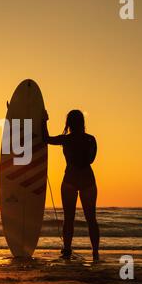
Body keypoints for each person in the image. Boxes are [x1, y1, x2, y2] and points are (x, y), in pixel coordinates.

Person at [43, 109, 100, 261]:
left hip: (70, 180)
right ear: (82, 122)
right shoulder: (90, 139)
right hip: (88, 180)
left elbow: (45, 139)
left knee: (69, 218)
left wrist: (44, 120)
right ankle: (95, 253)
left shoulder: (66, 140)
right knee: (91, 219)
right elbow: (91, 159)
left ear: (69, 123)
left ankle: (67, 250)